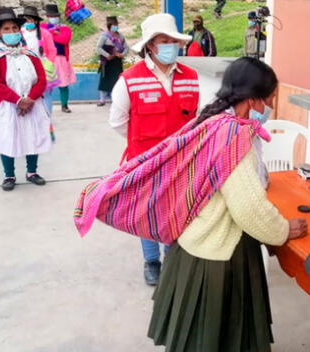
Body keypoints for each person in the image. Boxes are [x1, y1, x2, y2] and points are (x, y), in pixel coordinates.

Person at [148, 56, 308, 352]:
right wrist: (283, 229)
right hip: (218, 258)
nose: (271, 108)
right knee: (218, 340)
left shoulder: (210, 121)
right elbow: (249, 210)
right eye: (270, 99)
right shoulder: (234, 138)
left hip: (193, 245)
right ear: (252, 100)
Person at [109, 13, 199, 286]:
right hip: (143, 163)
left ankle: (171, 259)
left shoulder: (191, 77)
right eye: (164, 40)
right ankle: (151, 262)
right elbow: (118, 122)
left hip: (181, 162)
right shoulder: (129, 80)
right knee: (147, 213)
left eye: (174, 40)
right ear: (150, 45)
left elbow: (197, 118)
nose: (170, 45)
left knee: (175, 212)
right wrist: (143, 144)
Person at [0, 8, 52, 191]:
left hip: (32, 103)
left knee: (33, 136)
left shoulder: (30, 53)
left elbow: (41, 79)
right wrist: (18, 101)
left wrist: (30, 99)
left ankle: (32, 172)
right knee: (7, 138)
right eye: (6, 29)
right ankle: (9, 175)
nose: (12, 32)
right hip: (7, 106)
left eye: (14, 28)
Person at [20, 6, 58, 115]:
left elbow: (52, 50)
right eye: (26, 20)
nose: (27, 22)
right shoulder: (20, 33)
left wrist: (48, 64)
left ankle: (47, 117)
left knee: (46, 95)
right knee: (29, 94)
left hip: (43, 68)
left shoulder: (44, 33)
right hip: (26, 69)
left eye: (30, 19)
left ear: (36, 21)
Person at [41, 4, 76, 113]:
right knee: (47, 85)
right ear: (47, 16)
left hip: (61, 59)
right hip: (47, 59)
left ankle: (64, 105)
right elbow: (42, 37)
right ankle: (44, 106)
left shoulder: (65, 28)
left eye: (55, 16)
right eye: (51, 16)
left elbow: (64, 39)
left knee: (63, 84)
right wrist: (54, 33)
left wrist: (50, 34)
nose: (53, 18)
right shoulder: (42, 27)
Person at [96, 16, 128, 106]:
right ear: (109, 26)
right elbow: (98, 48)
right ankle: (102, 100)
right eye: (113, 25)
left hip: (117, 61)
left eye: (116, 25)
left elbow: (126, 48)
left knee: (117, 80)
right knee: (104, 80)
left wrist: (122, 54)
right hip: (107, 62)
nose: (115, 27)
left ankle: (116, 99)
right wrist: (107, 55)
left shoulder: (120, 36)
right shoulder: (104, 36)